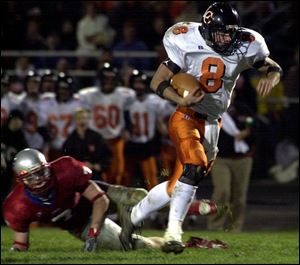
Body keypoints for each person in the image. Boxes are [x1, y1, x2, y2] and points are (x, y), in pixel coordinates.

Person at [119, 2, 282, 254]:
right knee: (193, 169)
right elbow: (157, 81)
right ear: (207, 29)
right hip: (186, 115)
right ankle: (173, 232)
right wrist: (180, 99)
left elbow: (269, 64)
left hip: (212, 122)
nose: (229, 37)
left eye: (232, 31)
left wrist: (274, 74)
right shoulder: (184, 38)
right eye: (222, 32)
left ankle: (133, 215)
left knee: (179, 185)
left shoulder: (247, 42)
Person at [3, 148, 152, 252]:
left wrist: (93, 237)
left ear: (48, 167)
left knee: (140, 197)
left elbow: (100, 199)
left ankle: (173, 211)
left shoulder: (65, 169)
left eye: (41, 172)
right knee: (139, 245)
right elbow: (20, 243)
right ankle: (168, 243)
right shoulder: (17, 205)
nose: (39, 179)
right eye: (31, 177)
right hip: (80, 223)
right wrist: (16, 251)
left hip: (93, 199)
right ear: (21, 181)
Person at [62, 108, 112, 180]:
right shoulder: (70, 140)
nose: (82, 121)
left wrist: (100, 165)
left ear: (88, 120)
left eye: (84, 118)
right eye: (79, 118)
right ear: (75, 121)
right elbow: (65, 159)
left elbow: (108, 154)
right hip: (77, 177)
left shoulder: (96, 137)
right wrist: (80, 165)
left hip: (95, 175)